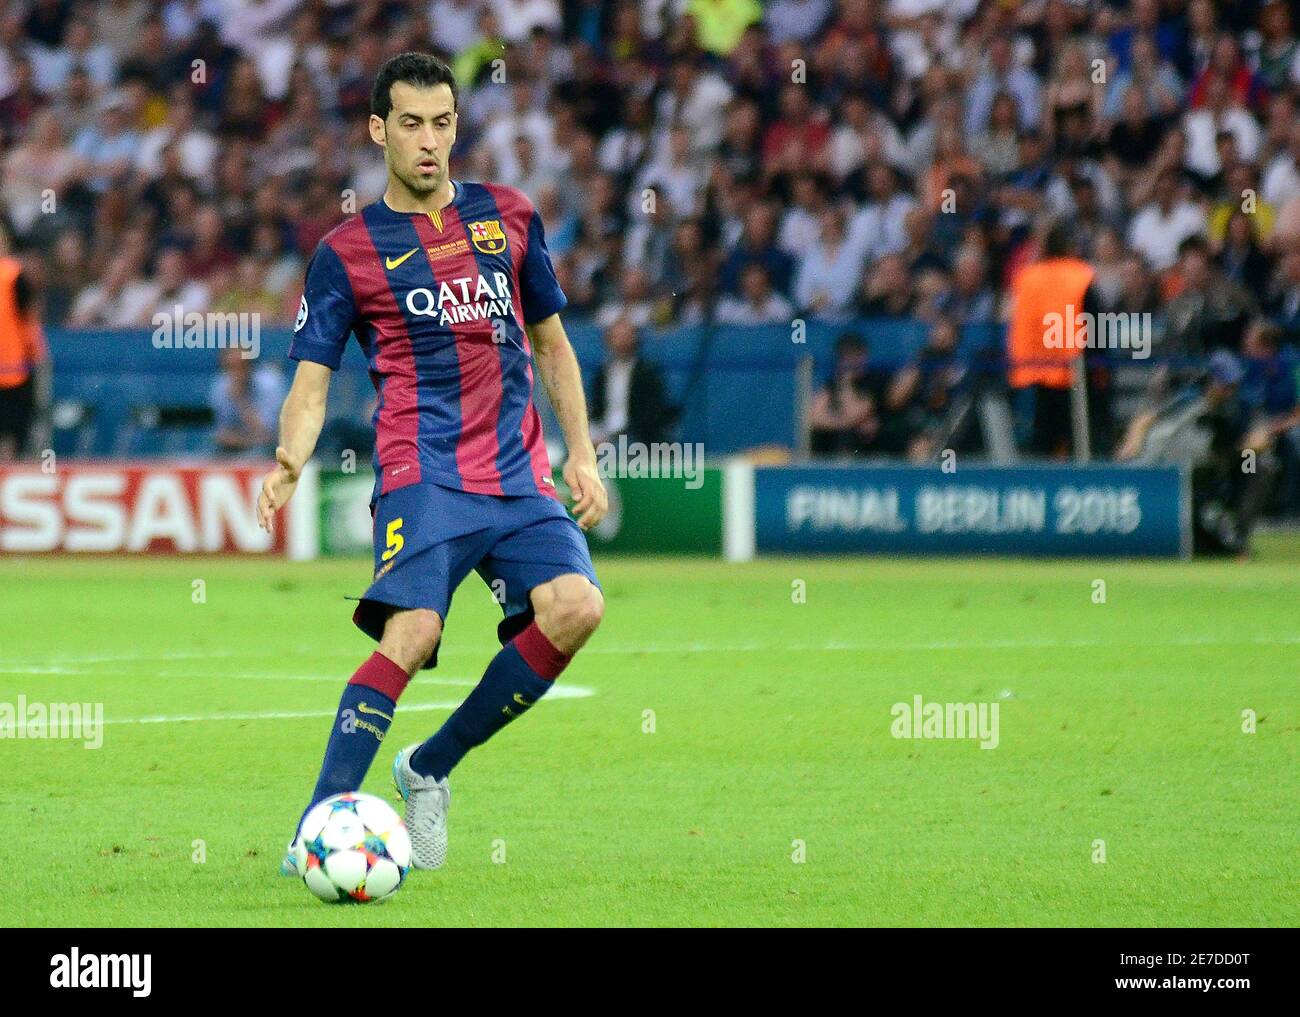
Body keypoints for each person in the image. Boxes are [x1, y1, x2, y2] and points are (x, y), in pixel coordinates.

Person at [257, 54, 607, 875]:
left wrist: (583, 454)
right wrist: (289, 459)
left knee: (577, 607)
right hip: (424, 471)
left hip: (519, 473)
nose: (428, 141)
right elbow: (312, 381)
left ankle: (428, 767)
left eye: (442, 123)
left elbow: (552, 344)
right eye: (410, 123)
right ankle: (316, 825)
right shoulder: (345, 252)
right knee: (413, 632)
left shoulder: (511, 217)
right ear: (379, 130)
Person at [589, 317, 676, 446]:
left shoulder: (647, 372)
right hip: (605, 432)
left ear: (635, 338)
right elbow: (597, 408)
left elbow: (652, 412)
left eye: (625, 336)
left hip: (637, 435)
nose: (621, 342)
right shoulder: (602, 373)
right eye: (617, 337)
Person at [0, 231, 47, 461]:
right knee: (13, 431)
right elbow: (29, 316)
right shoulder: (13, 274)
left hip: (13, 366)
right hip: (15, 368)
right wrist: (38, 352)